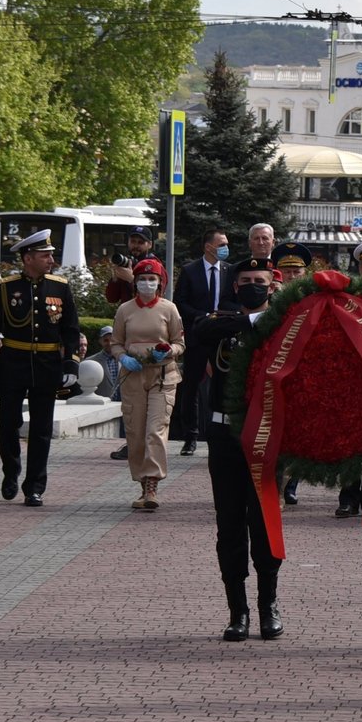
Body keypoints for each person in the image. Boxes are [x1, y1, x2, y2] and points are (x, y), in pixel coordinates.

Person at [196, 255, 284, 640]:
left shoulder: (285, 328)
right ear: (235, 287)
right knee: (229, 525)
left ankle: (269, 607)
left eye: (259, 280)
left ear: (272, 285)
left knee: (264, 525)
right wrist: (251, 320)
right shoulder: (220, 322)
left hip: (267, 439)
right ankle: (238, 611)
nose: (252, 285)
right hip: (225, 438)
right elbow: (199, 333)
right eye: (245, 279)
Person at [0, 230, 82, 507]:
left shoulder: (60, 287)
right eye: (45, 255)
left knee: (41, 429)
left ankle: (34, 486)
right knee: (8, 424)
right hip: (13, 364)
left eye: (50, 255)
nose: (51, 260)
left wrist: (71, 362)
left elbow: (71, 329)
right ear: (28, 258)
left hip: (47, 366)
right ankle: (11, 471)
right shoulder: (6, 287)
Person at [109, 256, 184, 512]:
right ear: (135, 283)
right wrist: (123, 357)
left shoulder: (169, 309)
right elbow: (116, 342)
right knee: (137, 432)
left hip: (162, 376)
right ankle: (142, 484)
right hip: (133, 376)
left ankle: (152, 484)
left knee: (155, 430)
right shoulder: (125, 310)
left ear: (160, 283)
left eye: (152, 279)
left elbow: (180, 343)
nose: (147, 284)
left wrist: (169, 352)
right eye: (142, 279)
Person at [173, 228, 230, 458]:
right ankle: (190, 437)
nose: (226, 247)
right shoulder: (190, 271)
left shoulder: (230, 270)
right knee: (191, 388)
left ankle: (222, 433)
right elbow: (180, 302)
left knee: (224, 384)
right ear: (209, 246)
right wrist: (203, 316)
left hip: (222, 338)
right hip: (198, 336)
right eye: (222, 243)